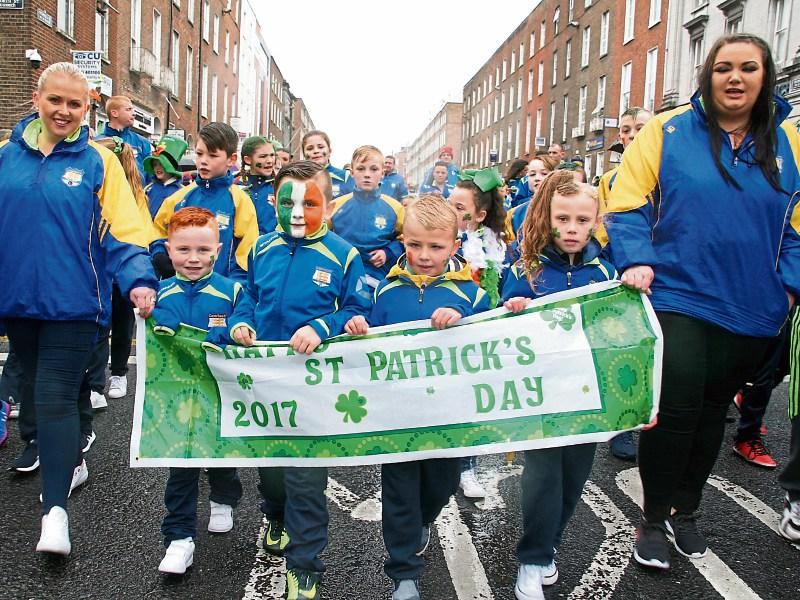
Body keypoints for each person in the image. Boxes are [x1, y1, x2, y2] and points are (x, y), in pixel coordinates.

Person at [605, 34, 800, 570]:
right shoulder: (666, 131)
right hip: (677, 295)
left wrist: (788, 288)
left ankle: (685, 512)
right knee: (676, 408)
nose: (734, 78)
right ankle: (652, 518)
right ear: (707, 76)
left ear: (765, 78)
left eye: (748, 68)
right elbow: (626, 203)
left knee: (714, 411)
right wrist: (636, 258)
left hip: (752, 308)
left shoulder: (789, 142)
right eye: (723, 68)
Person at [0, 62, 157, 555]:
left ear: (87, 109)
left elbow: (127, 230)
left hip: (74, 305)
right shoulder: (6, 158)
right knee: (33, 388)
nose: (64, 111)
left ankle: (55, 515)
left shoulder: (97, 163)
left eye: (75, 104)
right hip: (17, 305)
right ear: (37, 98)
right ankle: (69, 460)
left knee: (51, 395)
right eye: (56, 101)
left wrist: (137, 281)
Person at [229, 160, 371, 600]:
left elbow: (357, 309)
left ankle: (306, 565)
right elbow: (247, 296)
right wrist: (239, 323)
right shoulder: (260, 249)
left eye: (308, 203)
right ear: (273, 201)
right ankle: (274, 516)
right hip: (264, 385)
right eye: (287, 201)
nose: (296, 211)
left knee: (306, 479)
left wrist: (322, 327)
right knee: (272, 474)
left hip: (314, 388)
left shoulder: (344, 254)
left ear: (327, 207)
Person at [344, 194, 489, 600]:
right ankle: (404, 572)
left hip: (449, 415)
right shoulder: (384, 292)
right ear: (403, 241)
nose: (424, 255)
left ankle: (426, 517)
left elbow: (495, 340)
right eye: (414, 245)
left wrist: (466, 322)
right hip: (398, 416)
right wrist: (359, 327)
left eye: (436, 246)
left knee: (439, 486)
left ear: (454, 246)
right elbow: (367, 339)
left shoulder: (471, 295)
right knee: (399, 492)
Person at [502, 170, 617, 600]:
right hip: (541, 396)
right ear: (548, 218)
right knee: (545, 476)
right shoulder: (526, 268)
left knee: (573, 480)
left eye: (582, 220)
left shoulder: (607, 269)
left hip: (586, 396)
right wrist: (513, 307)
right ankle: (532, 559)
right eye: (563, 218)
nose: (571, 228)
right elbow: (499, 324)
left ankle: (549, 545)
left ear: (595, 222)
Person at [150, 207, 245, 574]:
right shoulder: (159, 294)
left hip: (222, 392)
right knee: (182, 464)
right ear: (168, 249)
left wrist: (231, 330)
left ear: (218, 251)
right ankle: (178, 538)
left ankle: (224, 498)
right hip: (177, 398)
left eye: (203, 250)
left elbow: (246, 318)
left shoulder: (232, 290)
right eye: (184, 250)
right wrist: (154, 316)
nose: (194, 259)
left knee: (222, 452)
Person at [595, 106, 654, 461]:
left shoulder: (665, 171)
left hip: (662, 273)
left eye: (640, 128)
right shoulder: (609, 180)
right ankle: (622, 426)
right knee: (625, 348)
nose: (632, 136)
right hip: (622, 271)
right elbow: (604, 226)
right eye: (626, 130)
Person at [84, 136, 158, 407]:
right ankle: (95, 383)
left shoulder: (133, 191)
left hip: (122, 261)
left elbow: (138, 229)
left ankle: (118, 374)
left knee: (121, 321)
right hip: (98, 264)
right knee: (101, 323)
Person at [449, 167, 507, 500]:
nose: (452, 212)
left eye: (460, 208)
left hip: (475, 333)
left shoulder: (492, 247)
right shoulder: (440, 239)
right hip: (442, 330)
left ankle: (466, 467)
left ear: (479, 215)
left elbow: (496, 290)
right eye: (450, 204)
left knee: (470, 402)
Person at [152, 122, 259, 282]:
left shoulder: (239, 201)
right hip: (180, 289)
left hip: (221, 292)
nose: (203, 161)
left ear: (231, 159)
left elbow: (247, 251)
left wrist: (234, 288)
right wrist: (160, 255)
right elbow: (157, 232)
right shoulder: (179, 197)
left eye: (212, 155)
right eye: (200, 154)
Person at [329, 145, 405, 289]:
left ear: (382, 173)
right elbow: (320, 235)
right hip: (342, 274)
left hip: (379, 277)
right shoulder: (336, 205)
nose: (367, 174)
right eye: (361, 169)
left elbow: (408, 239)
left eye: (374, 169)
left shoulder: (395, 208)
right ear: (352, 172)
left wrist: (388, 252)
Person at [505, 155, 559, 260]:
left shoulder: (563, 209)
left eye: (544, 173)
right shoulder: (516, 213)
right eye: (532, 174)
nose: (537, 178)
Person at [97, 95, 152, 180]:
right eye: (128, 109)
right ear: (114, 113)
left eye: (133, 109)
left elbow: (150, 175)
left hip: (136, 192)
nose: (134, 113)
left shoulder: (142, 142)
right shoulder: (98, 142)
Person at [240, 136, 279, 235]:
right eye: (263, 156)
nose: (270, 160)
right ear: (248, 160)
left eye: (272, 155)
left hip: (271, 247)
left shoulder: (279, 186)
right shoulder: (236, 186)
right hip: (243, 248)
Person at [143, 135, 188, 219]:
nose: (157, 168)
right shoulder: (148, 189)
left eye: (162, 164)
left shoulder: (182, 192)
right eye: (155, 164)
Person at [301, 130, 351, 198]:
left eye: (321, 147)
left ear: (329, 151)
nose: (316, 151)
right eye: (310, 148)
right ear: (304, 154)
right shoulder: (297, 178)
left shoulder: (345, 176)